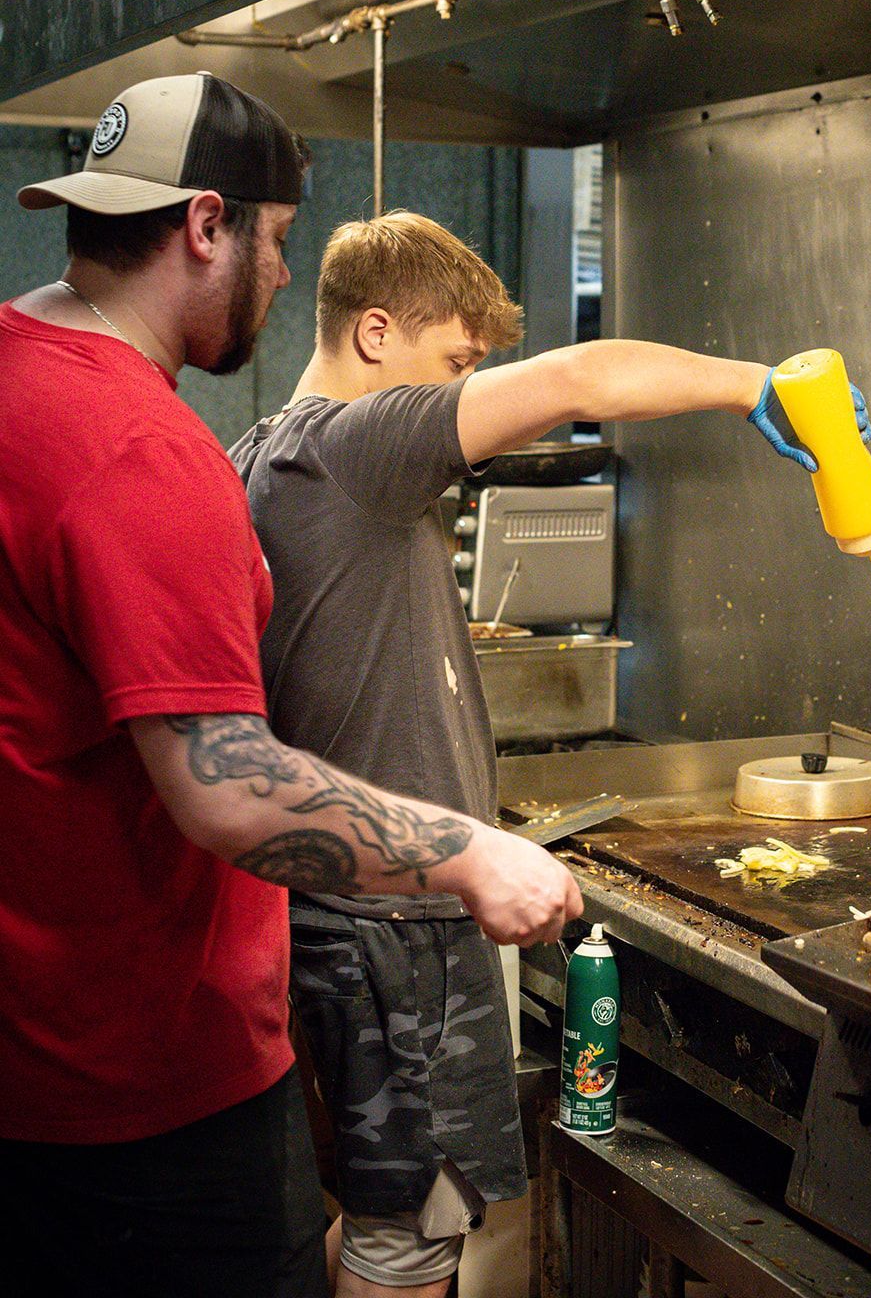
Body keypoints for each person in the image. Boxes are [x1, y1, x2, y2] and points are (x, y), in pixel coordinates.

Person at [230, 210, 871, 1298]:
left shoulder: (268, 449)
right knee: (407, 1242)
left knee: (383, 1226)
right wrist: (755, 384)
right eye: (457, 363)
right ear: (375, 331)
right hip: (396, 938)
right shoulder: (348, 445)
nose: (464, 391)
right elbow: (584, 377)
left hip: (360, 923)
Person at [0, 82, 581, 1298]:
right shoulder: (142, 449)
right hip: (145, 1082)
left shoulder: (18, 378)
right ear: (205, 223)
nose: (277, 276)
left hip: (40, 1057)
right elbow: (225, 785)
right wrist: (468, 851)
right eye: (273, 241)